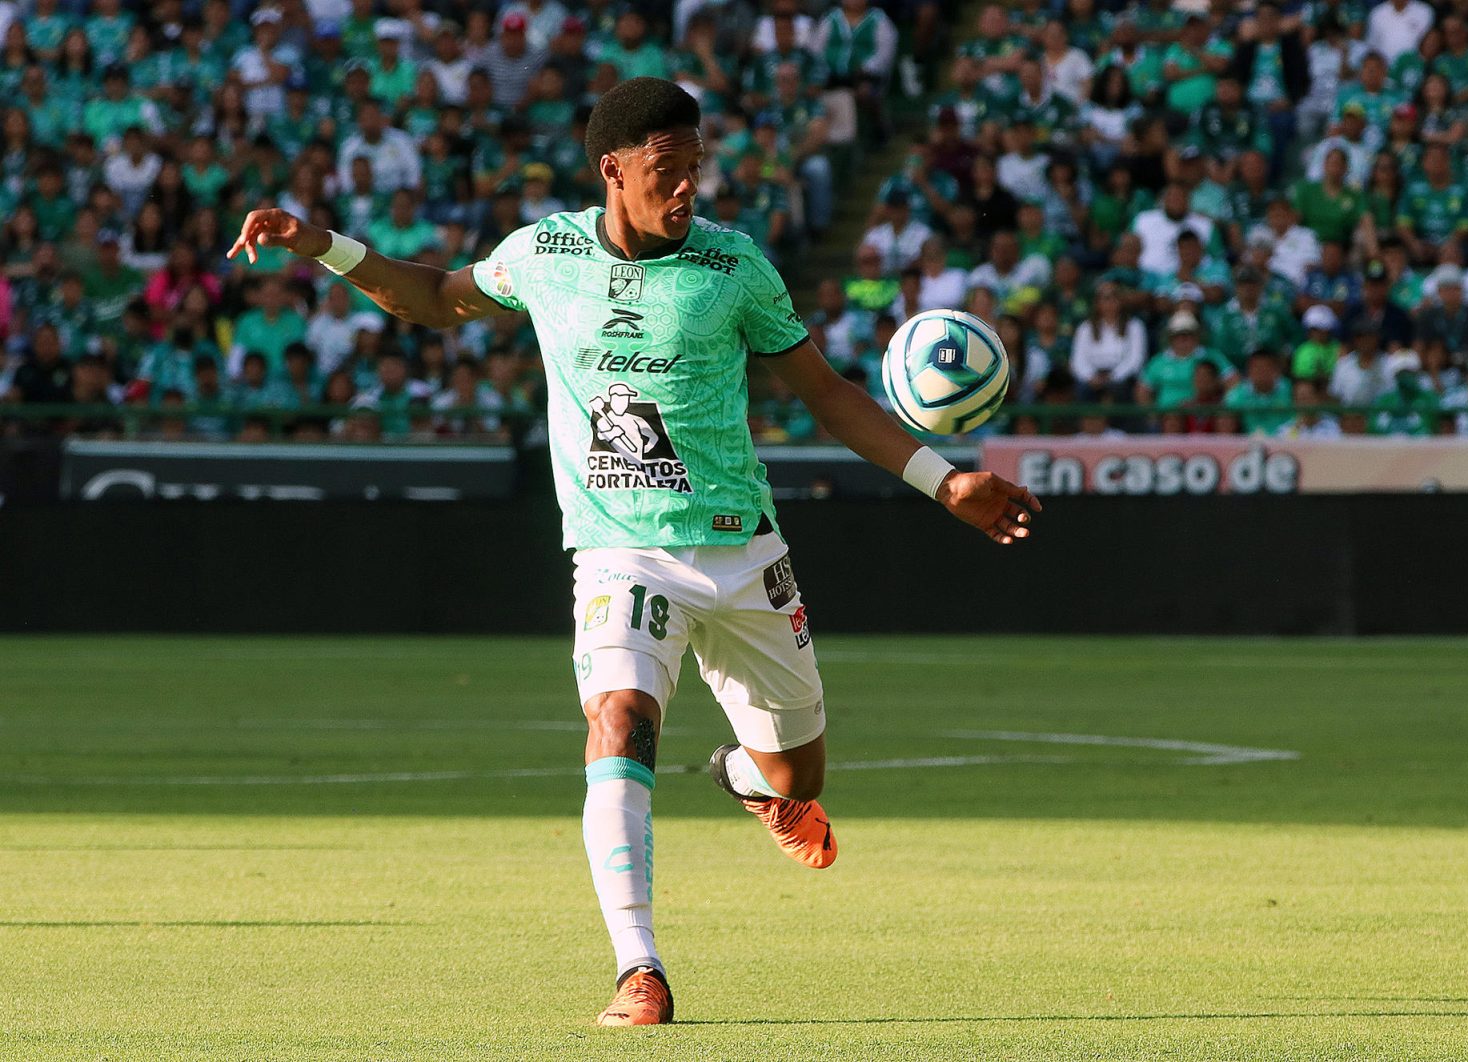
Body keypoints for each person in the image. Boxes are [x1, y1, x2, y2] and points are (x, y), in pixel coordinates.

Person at [226, 77, 1041, 1028]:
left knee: (798, 776)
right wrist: (319, 243)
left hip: (743, 552)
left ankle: (746, 778)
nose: (688, 186)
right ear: (615, 169)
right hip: (621, 554)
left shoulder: (736, 269)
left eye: (696, 165)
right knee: (619, 718)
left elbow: (826, 393)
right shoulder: (545, 254)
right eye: (668, 168)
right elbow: (434, 300)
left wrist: (947, 483)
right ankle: (638, 969)